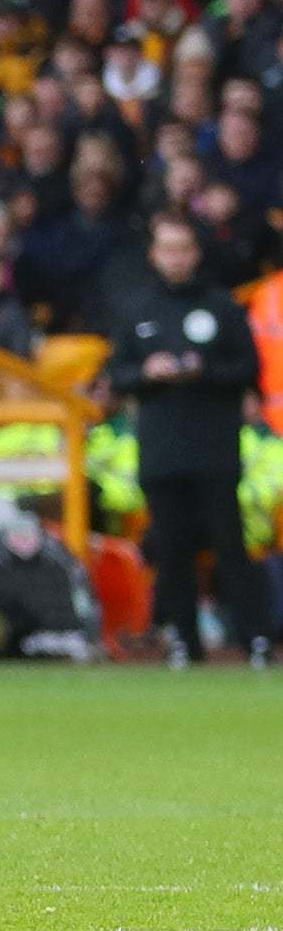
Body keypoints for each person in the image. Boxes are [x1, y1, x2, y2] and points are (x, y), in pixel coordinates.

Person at [105, 214, 269, 667]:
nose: (176, 258)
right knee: (172, 549)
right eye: (167, 249)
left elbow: (248, 371)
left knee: (228, 545)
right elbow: (117, 375)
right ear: (154, 255)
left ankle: (254, 637)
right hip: (161, 450)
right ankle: (183, 639)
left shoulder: (222, 307)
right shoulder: (137, 310)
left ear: (195, 253)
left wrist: (204, 370)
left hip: (214, 446)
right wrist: (147, 372)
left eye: (183, 248)